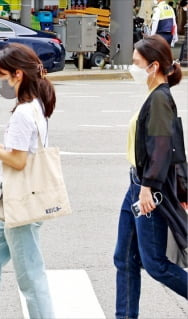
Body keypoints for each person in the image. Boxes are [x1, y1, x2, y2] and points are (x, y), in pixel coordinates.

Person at [0, 43, 56, 319]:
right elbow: (19, 152)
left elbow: (17, 161)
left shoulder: (24, 112)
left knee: (30, 274)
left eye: (1, 75)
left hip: (21, 201)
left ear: (17, 74)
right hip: (18, 200)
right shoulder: (36, 104)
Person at [114, 34, 187, 319]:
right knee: (125, 258)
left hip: (147, 188)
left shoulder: (159, 99)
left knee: (155, 263)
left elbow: (160, 147)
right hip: (137, 185)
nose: (131, 67)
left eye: (136, 62)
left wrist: (147, 187)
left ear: (153, 66)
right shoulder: (155, 95)